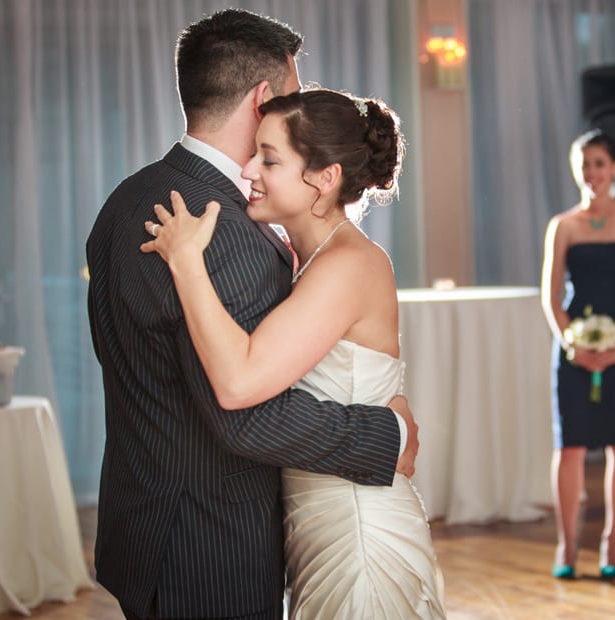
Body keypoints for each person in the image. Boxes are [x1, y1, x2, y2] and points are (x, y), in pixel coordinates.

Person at [86, 10, 418, 620]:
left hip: (142, 526)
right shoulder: (221, 228)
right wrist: (384, 434)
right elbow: (243, 415)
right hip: (209, 541)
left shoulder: (129, 197)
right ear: (264, 98)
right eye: (294, 98)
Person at [141, 88, 445, 619]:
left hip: (357, 527)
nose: (249, 170)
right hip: (315, 522)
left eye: (270, 159)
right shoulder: (302, 259)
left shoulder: (349, 264)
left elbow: (238, 382)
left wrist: (187, 262)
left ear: (324, 179)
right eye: (254, 152)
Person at [540, 130, 615, 580]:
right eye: (585, 164)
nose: (592, 173)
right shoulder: (563, 225)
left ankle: (612, 540)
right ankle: (567, 543)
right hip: (574, 346)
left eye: (600, 163)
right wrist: (573, 343)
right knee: (569, 445)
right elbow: (550, 296)